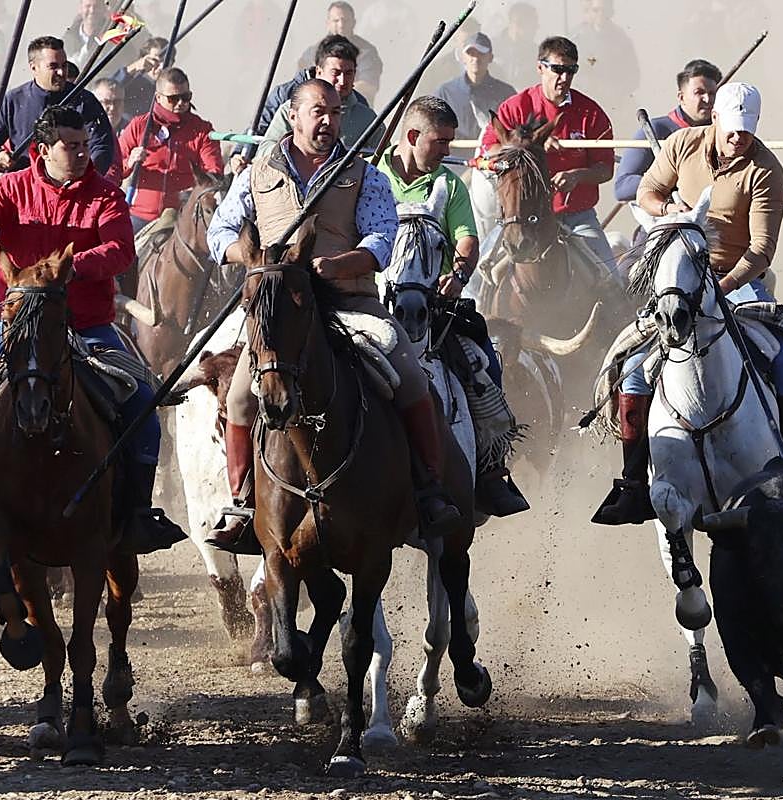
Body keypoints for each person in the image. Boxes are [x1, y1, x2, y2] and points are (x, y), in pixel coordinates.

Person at [204, 78, 460, 553]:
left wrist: (338, 264)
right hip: (278, 311)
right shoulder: (257, 173)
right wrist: (246, 253)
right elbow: (219, 232)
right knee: (240, 396)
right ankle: (241, 503)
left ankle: (429, 488)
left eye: (336, 113)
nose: (328, 122)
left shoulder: (364, 174)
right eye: (319, 112)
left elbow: (381, 239)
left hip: (348, 301)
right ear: (293, 116)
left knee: (408, 375)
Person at [0, 105, 186, 558]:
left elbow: (121, 251)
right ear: (42, 150)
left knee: (142, 403)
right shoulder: (9, 189)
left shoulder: (105, 194)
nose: (83, 153)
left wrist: (64, 270)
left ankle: (140, 513)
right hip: (18, 328)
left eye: (85, 145)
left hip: (88, 325)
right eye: (72, 146)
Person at [594, 82, 783, 525]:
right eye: (732, 129)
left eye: (746, 131)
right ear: (716, 120)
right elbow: (644, 191)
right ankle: (633, 482)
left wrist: (719, 288)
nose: (738, 138)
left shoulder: (765, 169)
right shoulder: (682, 143)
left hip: (735, 280)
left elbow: (762, 249)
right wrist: (668, 206)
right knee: (633, 369)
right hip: (676, 274)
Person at [376, 96, 530, 517]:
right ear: (412, 137)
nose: (447, 151)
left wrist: (458, 275)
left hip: (436, 306)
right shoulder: (372, 177)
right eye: (441, 141)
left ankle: (491, 465)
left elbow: (466, 237)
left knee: (481, 358)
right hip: (373, 303)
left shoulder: (450, 185)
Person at [478, 36, 619, 284]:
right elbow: (489, 150)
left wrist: (577, 176)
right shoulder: (515, 107)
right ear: (540, 67)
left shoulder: (591, 113)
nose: (564, 78)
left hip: (576, 216)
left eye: (571, 70)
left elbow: (605, 169)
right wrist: (532, 147)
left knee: (613, 282)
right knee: (475, 281)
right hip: (521, 218)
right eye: (557, 69)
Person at [0, 35, 114, 176]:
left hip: (71, 185)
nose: (61, 72)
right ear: (34, 68)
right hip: (25, 187)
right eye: (53, 66)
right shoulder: (14, 100)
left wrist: (86, 177)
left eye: (64, 65)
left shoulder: (84, 100)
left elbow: (102, 146)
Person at [236, 34, 376, 170]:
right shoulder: (291, 108)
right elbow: (265, 149)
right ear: (319, 72)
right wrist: (298, 156)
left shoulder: (368, 118)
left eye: (349, 73)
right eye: (335, 73)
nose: (343, 80)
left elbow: (382, 159)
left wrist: (358, 164)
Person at [118, 67, 224, 231]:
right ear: (158, 98)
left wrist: (201, 186)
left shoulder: (202, 130)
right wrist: (129, 162)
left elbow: (213, 172)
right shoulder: (140, 126)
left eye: (185, 97)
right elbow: (112, 167)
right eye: (173, 99)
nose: (181, 103)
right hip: (141, 216)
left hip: (183, 218)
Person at [614, 59, 720, 203]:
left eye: (712, 93)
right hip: (666, 219)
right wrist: (669, 181)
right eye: (699, 92)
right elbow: (623, 187)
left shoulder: (723, 134)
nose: (707, 99)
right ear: (681, 97)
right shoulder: (655, 131)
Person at [434, 33, 516, 143]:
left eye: (481, 53)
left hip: (493, 157)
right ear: (463, 58)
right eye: (471, 53)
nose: (476, 58)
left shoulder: (507, 93)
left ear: (490, 57)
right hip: (453, 157)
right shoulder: (445, 93)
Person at [296, 2, 382, 103]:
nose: (341, 25)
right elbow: (300, 85)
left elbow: (368, 86)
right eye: (336, 20)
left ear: (354, 22)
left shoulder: (367, 52)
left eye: (345, 20)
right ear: (328, 23)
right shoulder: (311, 53)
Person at [570, 0, 639, 112]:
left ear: (611, 12)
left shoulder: (621, 39)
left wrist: (618, 91)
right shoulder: (577, 39)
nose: (600, 15)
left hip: (615, 102)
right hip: (585, 100)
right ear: (589, 12)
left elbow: (633, 74)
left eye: (604, 10)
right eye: (596, 10)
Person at [112, 37, 170, 122]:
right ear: (143, 59)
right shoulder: (129, 81)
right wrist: (134, 67)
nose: (161, 67)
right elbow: (108, 91)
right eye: (155, 60)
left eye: (167, 61)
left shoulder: (172, 92)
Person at [492, 2, 539, 91]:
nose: (536, 30)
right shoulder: (491, 48)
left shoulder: (537, 54)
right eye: (533, 26)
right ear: (518, 24)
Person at [61, 0, 111, 68]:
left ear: (104, 9)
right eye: (88, 6)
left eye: (96, 7)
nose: (92, 11)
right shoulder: (67, 40)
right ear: (80, 9)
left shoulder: (112, 36)